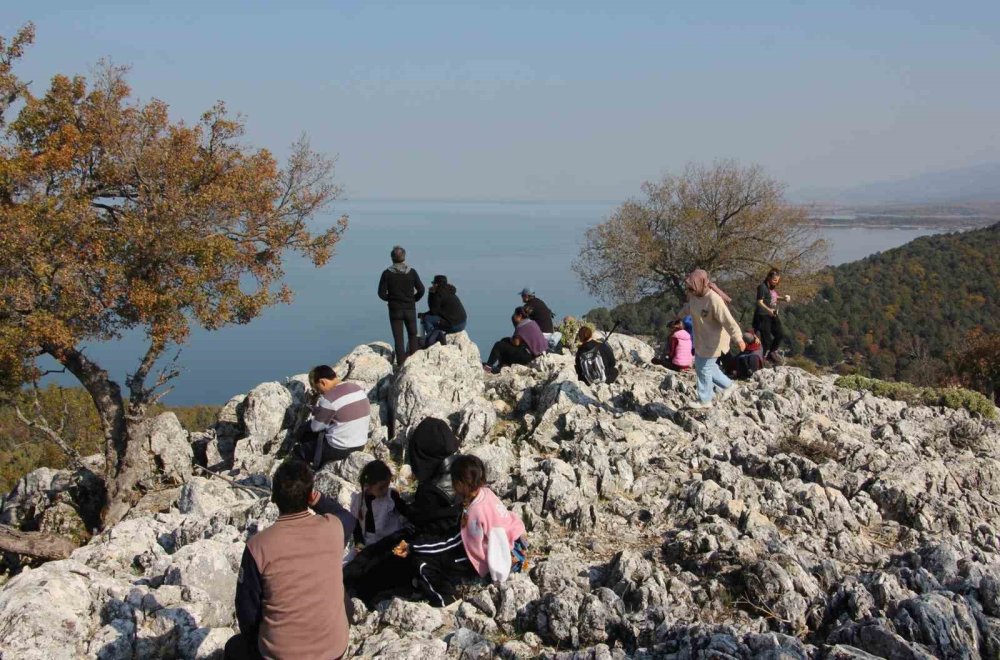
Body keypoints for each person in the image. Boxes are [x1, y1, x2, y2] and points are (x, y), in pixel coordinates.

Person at [227, 459, 353, 660]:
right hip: (334, 652)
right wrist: (317, 498)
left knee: (234, 647)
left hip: (280, 655)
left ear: (274, 497)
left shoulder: (258, 546)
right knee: (344, 599)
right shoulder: (334, 528)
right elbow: (346, 516)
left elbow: (247, 612)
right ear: (310, 495)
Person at [391, 417, 471, 607]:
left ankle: (445, 600)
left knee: (415, 560)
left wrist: (397, 501)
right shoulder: (462, 466)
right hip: (462, 541)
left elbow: (419, 518)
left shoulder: (432, 491)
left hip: (453, 549)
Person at [342, 460, 410, 606]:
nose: (385, 490)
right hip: (370, 544)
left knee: (387, 567)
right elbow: (356, 527)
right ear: (368, 486)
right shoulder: (358, 500)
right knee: (350, 568)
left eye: (386, 485)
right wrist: (359, 544)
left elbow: (408, 514)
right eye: (381, 488)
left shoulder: (391, 497)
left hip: (394, 540)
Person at [450, 454, 528, 581]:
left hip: (506, 556)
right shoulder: (486, 492)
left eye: (454, 481)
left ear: (462, 483)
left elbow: (474, 546)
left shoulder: (474, 512)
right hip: (516, 537)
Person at [677, 269, 745, 409]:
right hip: (702, 338)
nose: (690, 291)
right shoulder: (695, 296)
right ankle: (729, 385)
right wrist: (678, 317)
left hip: (715, 340)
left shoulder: (714, 300)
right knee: (709, 367)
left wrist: (738, 339)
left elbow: (728, 321)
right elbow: (689, 308)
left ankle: (705, 400)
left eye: (692, 287)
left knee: (703, 368)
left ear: (701, 283)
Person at [293, 365, 370, 469]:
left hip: (340, 449)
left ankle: (307, 477)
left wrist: (317, 415)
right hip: (360, 444)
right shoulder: (357, 388)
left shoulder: (328, 399)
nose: (320, 393)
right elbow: (342, 411)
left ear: (322, 382)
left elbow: (316, 428)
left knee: (300, 449)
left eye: (318, 389)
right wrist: (320, 411)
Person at [378, 246, 425, 366]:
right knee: (413, 335)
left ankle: (401, 363)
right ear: (404, 257)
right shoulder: (412, 272)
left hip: (395, 310)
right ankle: (413, 363)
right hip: (410, 308)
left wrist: (391, 299)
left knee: (398, 338)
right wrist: (414, 299)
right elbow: (421, 289)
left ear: (392, 258)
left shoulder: (387, 273)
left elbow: (381, 294)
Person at [482, 307, 548, 374]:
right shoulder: (532, 322)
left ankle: (488, 367)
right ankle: (503, 366)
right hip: (538, 353)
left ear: (520, 316)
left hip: (527, 356)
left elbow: (516, 343)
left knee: (499, 345)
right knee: (505, 340)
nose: (513, 317)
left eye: (514, 315)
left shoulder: (521, 325)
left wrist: (511, 339)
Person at [753, 268, 791, 365]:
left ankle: (772, 352)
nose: (776, 282)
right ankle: (762, 360)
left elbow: (773, 297)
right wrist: (768, 310)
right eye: (774, 280)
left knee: (780, 334)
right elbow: (759, 302)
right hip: (763, 316)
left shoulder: (770, 288)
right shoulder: (762, 287)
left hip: (772, 315)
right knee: (767, 340)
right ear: (768, 277)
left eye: (777, 281)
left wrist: (783, 298)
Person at [420, 275, 467, 347]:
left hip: (453, 325)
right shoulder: (450, 291)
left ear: (436, 284)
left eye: (433, 283)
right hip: (462, 323)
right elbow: (439, 311)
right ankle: (435, 334)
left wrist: (431, 294)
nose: (432, 285)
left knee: (426, 319)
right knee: (431, 318)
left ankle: (432, 339)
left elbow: (434, 311)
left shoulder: (439, 294)